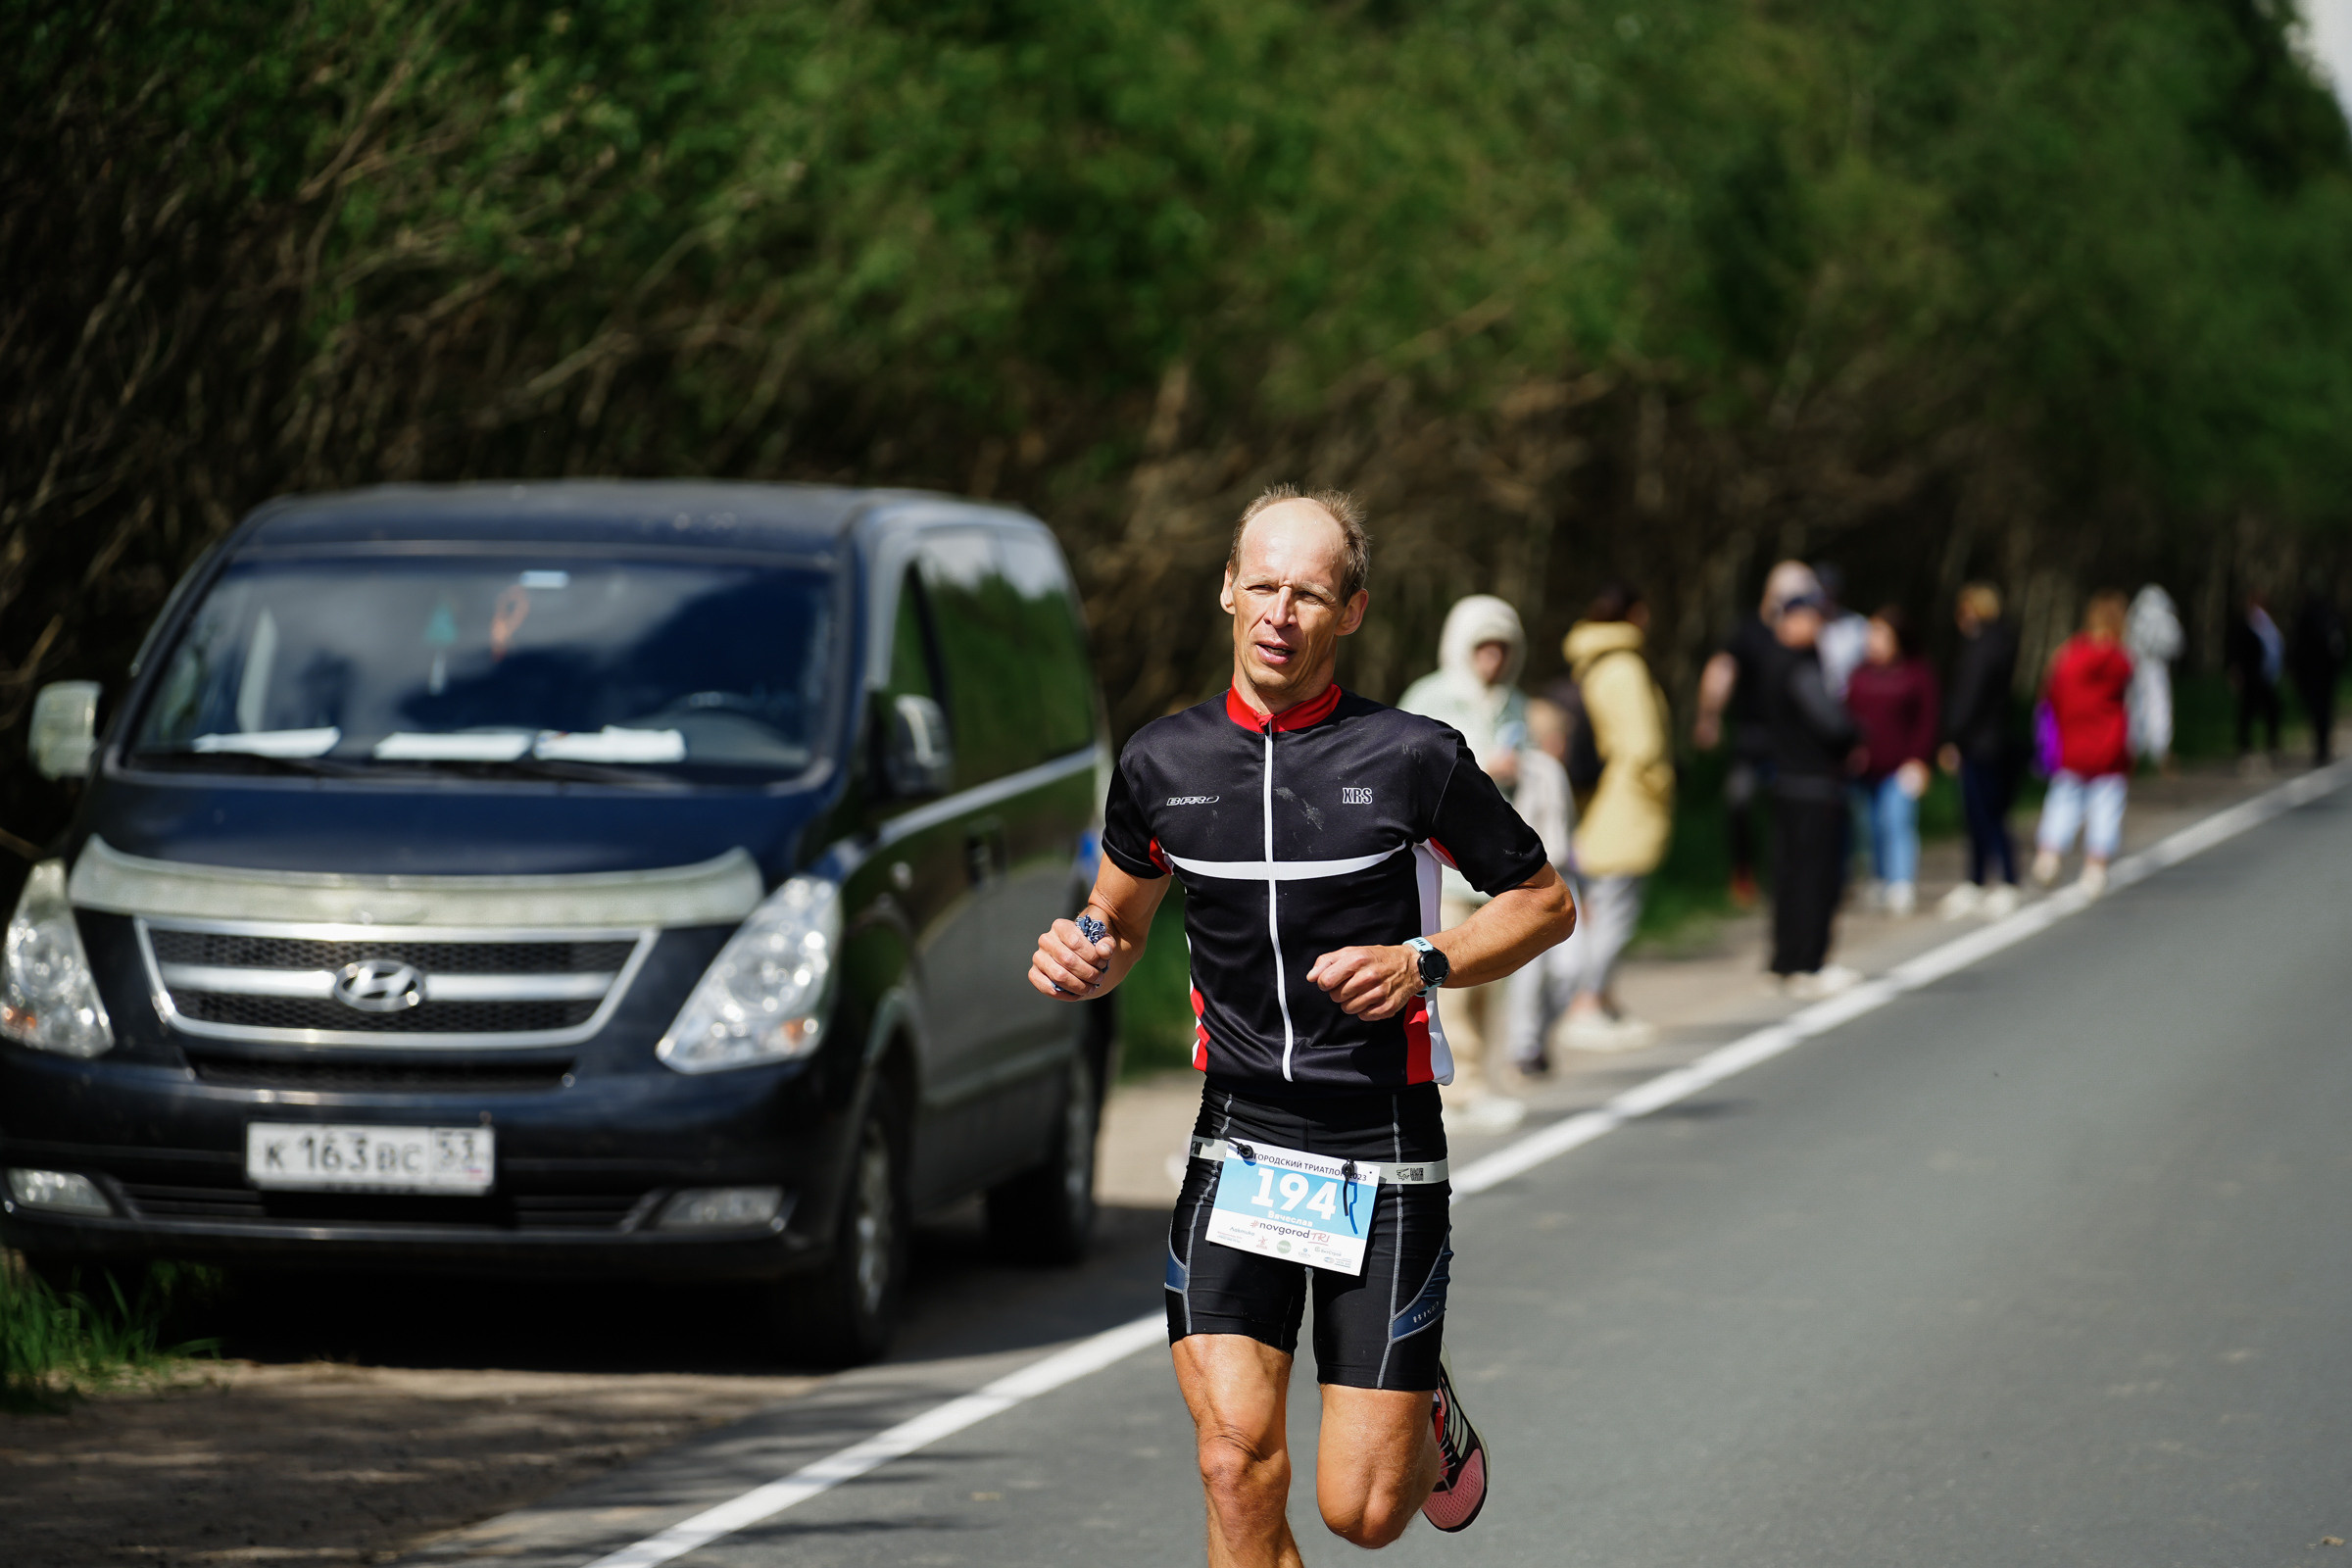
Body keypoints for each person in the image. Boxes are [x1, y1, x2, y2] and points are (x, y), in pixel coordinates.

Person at [1028, 486, 1576, 1560]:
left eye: (1310, 593)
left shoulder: (1412, 755)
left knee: (1362, 1514)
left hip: (1380, 1139)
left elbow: (1545, 902)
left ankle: (1419, 1403)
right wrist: (1082, 952)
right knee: (1234, 1459)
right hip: (1240, 1137)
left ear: (1353, 611)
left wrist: (1426, 962)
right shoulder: (1159, 765)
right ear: (1228, 590)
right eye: (1264, 585)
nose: (1281, 611)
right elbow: (1119, 922)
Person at [1398, 595, 1533, 1120]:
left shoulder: (1514, 701)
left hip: (1495, 869)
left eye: (1503, 649)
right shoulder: (1429, 696)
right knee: (1445, 976)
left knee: (1487, 978)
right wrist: (1483, 770)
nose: (1493, 660)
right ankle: (1456, 1088)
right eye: (1483, 648)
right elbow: (1415, 771)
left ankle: (1477, 1079)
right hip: (1442, 868)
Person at [1550, 584, 1673, 1048]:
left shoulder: (1592, 665)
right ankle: (1587, 1004)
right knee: (1617, 911)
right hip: (1628, 806)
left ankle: (1601, 1001)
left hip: (1599, 804)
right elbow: (1644, 746)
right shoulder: (1625, 667)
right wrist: (1662, 784)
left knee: (1599, 911)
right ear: (1636, 616)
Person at [1693, 561, 1821, 906]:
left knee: (1795, 808)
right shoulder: (1748, 631)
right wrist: (1708, 717)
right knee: (1739, 800)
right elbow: (1721, 671)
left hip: (1792, 742)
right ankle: (1743, 872)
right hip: (1752, 739)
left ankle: (1794, 875)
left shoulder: (1804, 633)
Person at [1766, 590, 1861, 996]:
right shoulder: (1801, 667)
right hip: (1812, 786)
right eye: (1807, 619)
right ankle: (1808, 961)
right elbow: (1832, 723)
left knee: (1789, 875)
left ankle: (1786, 961)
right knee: (1814, 877)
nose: (1815, 627)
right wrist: (1856, 734)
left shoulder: (1773, 663)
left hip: (1785, 784)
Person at [2033, 591, 2134, 897]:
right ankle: (2095, 867)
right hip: (2109, 747)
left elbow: (2050, 694)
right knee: (2106, 806)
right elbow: (2133, 704)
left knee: (2063, 800)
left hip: (2071, 744)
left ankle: (2049, 855)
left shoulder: (2069, 655)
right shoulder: (2121, 661)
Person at [1842, 607, 1938, 916]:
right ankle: (1879, 878)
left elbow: (1928, 721)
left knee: (1897, 822)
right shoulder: (1859, 674)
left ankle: (1901, 883)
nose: (1874, 641)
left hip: (1901, 766)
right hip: (1864, 767)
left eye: (1881, 634)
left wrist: (1919, 761)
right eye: (1871, 634)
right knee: (1868, 828)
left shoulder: (1917, 674)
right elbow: (1846, 717)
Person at [1500, 699, 1578, 1075]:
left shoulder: (1555, 772)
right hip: (1526, 880)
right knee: (1529, 970)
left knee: (1571, 966)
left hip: (1565, 874)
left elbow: (1566, 830)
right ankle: (1524, 1046)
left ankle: (1541, 1035)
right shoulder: (1521, 770)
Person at [1936, 583, 2022, 919]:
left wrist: (1951, 736)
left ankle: (2000, 880)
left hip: (1978, 742)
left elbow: (1968, 697)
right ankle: (1986, 880)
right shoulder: (2004, 642)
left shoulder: (1979, 647)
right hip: (1997, 737)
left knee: (1982, 813)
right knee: (1990, 812)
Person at [2125, 584, 2182, 773]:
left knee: (2138, 708)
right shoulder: (2163, 617)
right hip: (2152, 667)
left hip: (2141, 667)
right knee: (2157, 707)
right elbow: (2175, 644)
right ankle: (2157, 752)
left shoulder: (2135, 616)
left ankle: (2138, 752)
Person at [2225, 590, 2285, 764]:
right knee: (2247, 713)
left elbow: (2274, 649)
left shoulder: (2266, 625)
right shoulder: (2247, 624)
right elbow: (2237, 651)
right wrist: (2236, 672)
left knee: (2271, 711)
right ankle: (2245, 748)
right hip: (2251, 677)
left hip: (2265, 677)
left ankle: (2272, 745)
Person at [2287, 588, 2345, 765]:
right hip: (2326, 675)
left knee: (2317, 710)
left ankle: (2321, 747)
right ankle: (2323, 746)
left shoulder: (2305, 618)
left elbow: (2296, 647)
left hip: (2312, 675)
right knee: (2325, 710)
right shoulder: (2330, 617)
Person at [1811, 563, 1871, 700]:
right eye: (1819, 589)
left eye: (1829, 589)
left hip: (1847, 704)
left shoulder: (1858, 626)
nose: (1824, 596)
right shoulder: (1795, 629)